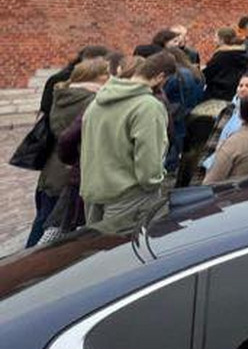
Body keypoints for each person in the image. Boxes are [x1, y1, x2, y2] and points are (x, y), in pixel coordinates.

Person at [80, 52, 177, 225]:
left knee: (99, 249)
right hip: (129, 196)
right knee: (125, 248)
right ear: (160, 77)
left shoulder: (97, 101)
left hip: (94, 191)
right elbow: (149, 163)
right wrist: (154, 182)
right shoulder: (148, 106)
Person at [27, 58, 110, 247]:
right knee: (53, 227)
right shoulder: (89, 100)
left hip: (53, 168)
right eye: (107, 74)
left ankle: (27, 263)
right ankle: (29, 266)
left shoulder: (64, 93)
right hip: (68, 170)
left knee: (44, 220)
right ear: (97, 77)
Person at [162, 46, 206, 174]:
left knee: (175, 141)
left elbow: (166, 94)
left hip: (178, 112)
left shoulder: (176, 76)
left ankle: (171, 167)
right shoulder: (196, 72)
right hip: (193, 110)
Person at [203, 28, 248, 102]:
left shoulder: (221, 55)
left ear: (221, 40)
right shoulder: (243, 53)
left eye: (216, 38)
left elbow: (208, 73)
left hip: (219, 93)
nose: (214, 41)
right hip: (236, 91)